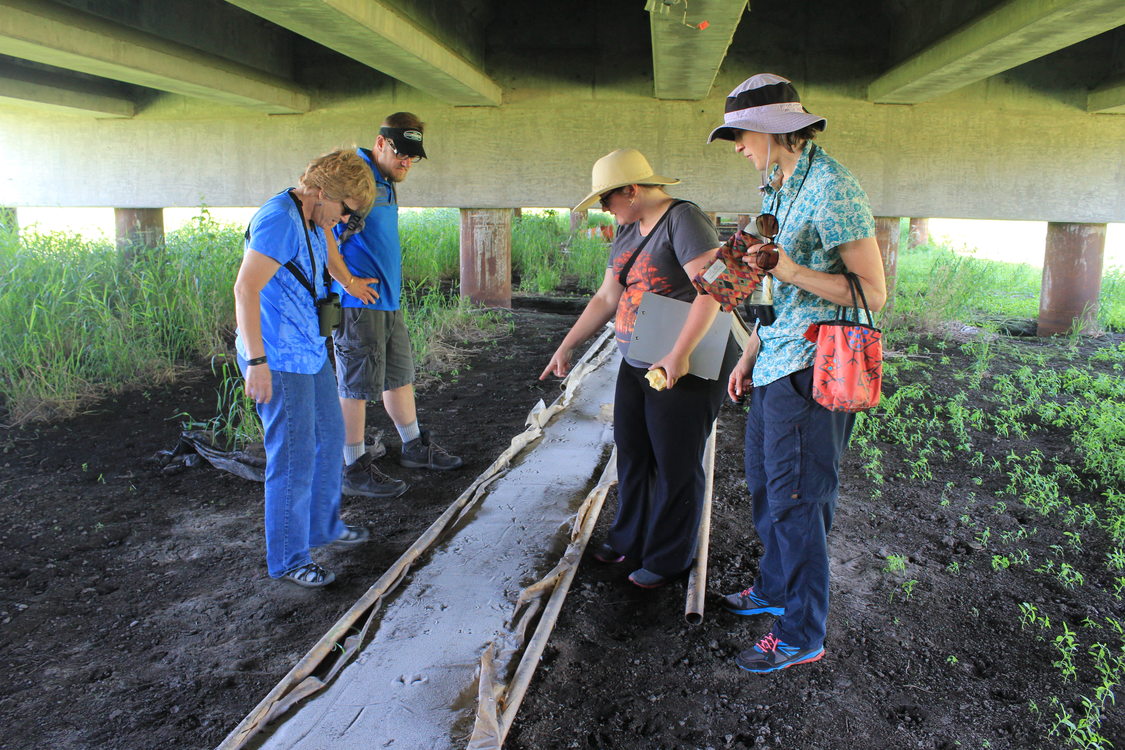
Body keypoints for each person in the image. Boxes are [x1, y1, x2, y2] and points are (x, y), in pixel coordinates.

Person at [706, 73, 887, 672]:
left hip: (816, 366)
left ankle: (801, 632)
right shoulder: (778, 186)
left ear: (773, 129)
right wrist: (751, 352)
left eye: (740, 133)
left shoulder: (835, 188)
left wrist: (790, 271)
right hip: (777, 358)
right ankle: (776, 588)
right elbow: (772, 287)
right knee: (766, 484)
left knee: (797, 500)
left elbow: (873, 293)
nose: (736, 145)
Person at [541, 148, 738, 589]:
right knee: (632, 451)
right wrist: (568, 345)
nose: (605, 209)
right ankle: (629, 536)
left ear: (631, 190)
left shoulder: (684, 220)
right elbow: (607, 298)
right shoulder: (627, 229)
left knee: (676, 460)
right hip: (637, 356)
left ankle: (669, 557)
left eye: (607, 200)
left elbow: (714, 290)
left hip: (682, 362)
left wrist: (680, 353)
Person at [233, 148, 376, 588]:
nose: (344, 222)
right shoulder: (280, 219)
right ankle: (290, 558)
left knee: (330, 437)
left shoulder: (315, 216)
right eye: (345, 211)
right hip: (277, 357)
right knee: (293, 458)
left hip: (309, 350)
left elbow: (330, 254)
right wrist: (256, 361)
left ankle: (321, 527)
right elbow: (245, 288)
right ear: (322, 191)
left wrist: (350, 282)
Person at [333, 112, 463, 500]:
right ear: (380, 143)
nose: (406, 161)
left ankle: (413, 447)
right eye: (400, 152)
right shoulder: (352, 175)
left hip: (388, 302)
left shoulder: (385, 182)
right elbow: (321, 228)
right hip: (360, 304)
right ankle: (353, 466)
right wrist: (348, 281)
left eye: (413, 156)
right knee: (354, 386)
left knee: (399, 376)